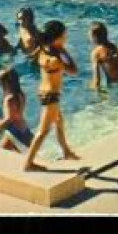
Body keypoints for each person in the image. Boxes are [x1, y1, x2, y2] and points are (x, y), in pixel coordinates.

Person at [23, 21, 81, 171]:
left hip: (43, 92)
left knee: (59, 121)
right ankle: (28, 163)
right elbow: (74, 70)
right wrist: (64, 51)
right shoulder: (57, 58)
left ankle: (66, 151)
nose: (66, 37)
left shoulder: (42, 49)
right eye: (64, 35)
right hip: (51, 96)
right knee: (43, 131)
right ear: (56, 39)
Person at [0, 66, 34, 152]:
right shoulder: (20, 95)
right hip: (25, 130)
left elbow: (9, 118)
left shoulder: (9, 99)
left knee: (1, 153)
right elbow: (17, 114)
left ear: (6, 83)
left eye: (0, 84)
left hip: (14, 132)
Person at [89, 22, 118, 90]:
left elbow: (97, 79)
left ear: (94, 37)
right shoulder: (113, 47)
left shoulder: (96, 53)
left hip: (113, 86)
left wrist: (95, 91)